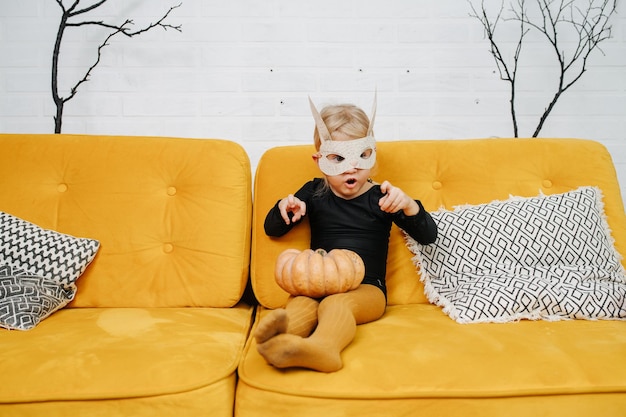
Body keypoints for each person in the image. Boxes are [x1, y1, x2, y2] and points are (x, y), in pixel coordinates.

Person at [254, 96, 438, 372]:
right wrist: (285, 209)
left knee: (337, 304)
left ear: (371, 154)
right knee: (301, 303)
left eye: (361, 157)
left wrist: (409, 205)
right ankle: (281, 342)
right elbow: (272, 229)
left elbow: (428, 236)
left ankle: (325, 349)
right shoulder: (313, 193)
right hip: (319, 284)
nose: (351, 167)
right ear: (319, 161)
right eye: (338, 158)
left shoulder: (383, 197)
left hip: (367, 290)